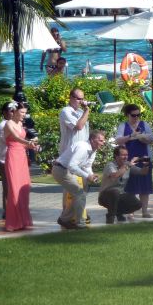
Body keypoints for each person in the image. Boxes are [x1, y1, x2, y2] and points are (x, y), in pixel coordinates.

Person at [52, 130, 106, 229]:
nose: (103, 143)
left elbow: (87, 166)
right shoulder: (83, 147)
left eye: (103, 141)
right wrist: (87, 176)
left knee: (80, 194)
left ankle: (64, 219)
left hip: (66, 170)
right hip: (60, 170)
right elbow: (72, 165)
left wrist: (91, 175)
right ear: (93, 140)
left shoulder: (93, 150)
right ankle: (79, 223)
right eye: (101, 141)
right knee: (79, 194)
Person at [3, 102, 40, 232]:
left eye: (25, 113)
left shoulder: (20, 123)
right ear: (14, 111)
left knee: (24, 189)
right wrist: (29, 142)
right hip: (13, 157)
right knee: (14, 189)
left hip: (22, 157)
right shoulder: (8, 124)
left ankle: (23, 221)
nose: (24, 115)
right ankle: (13, 222)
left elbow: (22, 143)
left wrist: (33, 146)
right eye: (22, 112)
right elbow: (16, 138)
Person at [115, 104, 153, 219]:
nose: (136, 117)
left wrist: (143, 137)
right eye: (133, 115)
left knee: (145, 187)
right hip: (129, 160)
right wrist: (131, 136)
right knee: (130, 187)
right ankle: (130, 211)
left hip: (144, 159)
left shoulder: (144, 124)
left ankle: (144, 211)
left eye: (138, 115)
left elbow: (152, 138)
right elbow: (118, 140)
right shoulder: (123, 126)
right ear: (128, 115)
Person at [59, 88, 91, 224]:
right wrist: (87, 110)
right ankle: (67, 215)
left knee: (82, 184)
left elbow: (85, 131)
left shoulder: (80, 112)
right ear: (71, 97)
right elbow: (78, 126)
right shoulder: (66, 111)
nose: (81, 101)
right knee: (71, 187)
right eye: (78, 98)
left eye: (82, 98)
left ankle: (80, 211)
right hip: (70, 155)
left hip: (81, 153)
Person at [98, 146, 149, 224]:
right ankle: (110, 217)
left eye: (127, 155)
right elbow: (115, 176)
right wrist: (128, 166)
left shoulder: (127, 164)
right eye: (123, 155)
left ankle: (118, 212)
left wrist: (146, 165)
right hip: (105, 196)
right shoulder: (110, 165)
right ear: (116, 156)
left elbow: (143, 172)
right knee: (115, 192)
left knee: (137, 204)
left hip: (120, 195)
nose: (126, 157)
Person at [0, 101, 14, 219]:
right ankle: (7, 211)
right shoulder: (3, 125)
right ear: (4, 112)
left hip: (13, 158)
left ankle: (12, 209)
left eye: (14, 111)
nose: (13, 113)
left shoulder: (12, 124)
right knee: (7, 186)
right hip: (5, 159)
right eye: (11, 111)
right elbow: (7, 141)